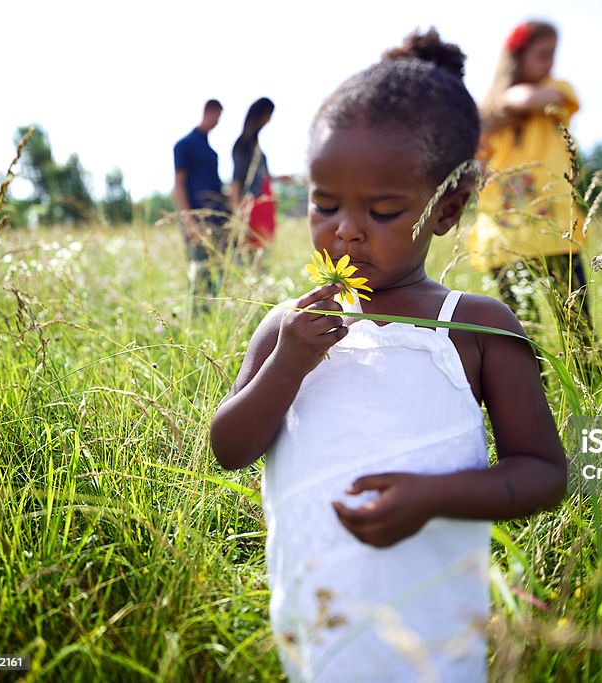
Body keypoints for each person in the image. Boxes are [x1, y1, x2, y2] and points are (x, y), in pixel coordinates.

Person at [209, 29, 567, 683]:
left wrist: (432, 497)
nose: (344, 228)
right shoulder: (288, 326)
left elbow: (544, 472)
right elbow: (229, 447)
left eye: (381, 209)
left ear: (448, 210)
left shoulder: (477, 328)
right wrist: (287, 363)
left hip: (433, 633)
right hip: (318, 629)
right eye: (324, 203)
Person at [468, 20, 593, 354]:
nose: (549, 63)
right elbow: (476, 164)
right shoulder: (485, 117)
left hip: (556, 232)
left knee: (580, 329)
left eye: (553, 54)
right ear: (516, 57)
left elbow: (533, 97)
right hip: (503, 234)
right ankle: (534, 395)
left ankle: (595, 397)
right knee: (522, 332)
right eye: (542, 54)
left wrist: (499, 106)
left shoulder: (556, 92)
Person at [173, 99, 231, 309]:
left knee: (221, 270)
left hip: (217, 218)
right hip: (197, 219)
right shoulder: (185, 144)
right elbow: (179, 184)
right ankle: (200, 315)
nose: (218, 122)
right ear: (210, 112)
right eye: (217, 116)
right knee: (200, 271)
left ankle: (217, 311)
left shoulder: (210, 149)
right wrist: (189, 221)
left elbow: (214, 186)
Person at [229, 97, 289, 259]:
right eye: (268, 115)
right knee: (253, 252)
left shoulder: (256, 145)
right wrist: (237, 212)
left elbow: (262, 176)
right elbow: (236, 180)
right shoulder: (242, 145)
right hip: (252, 206)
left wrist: (277, 178)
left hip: (265, 203)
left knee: (264, 250)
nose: (269, 120)